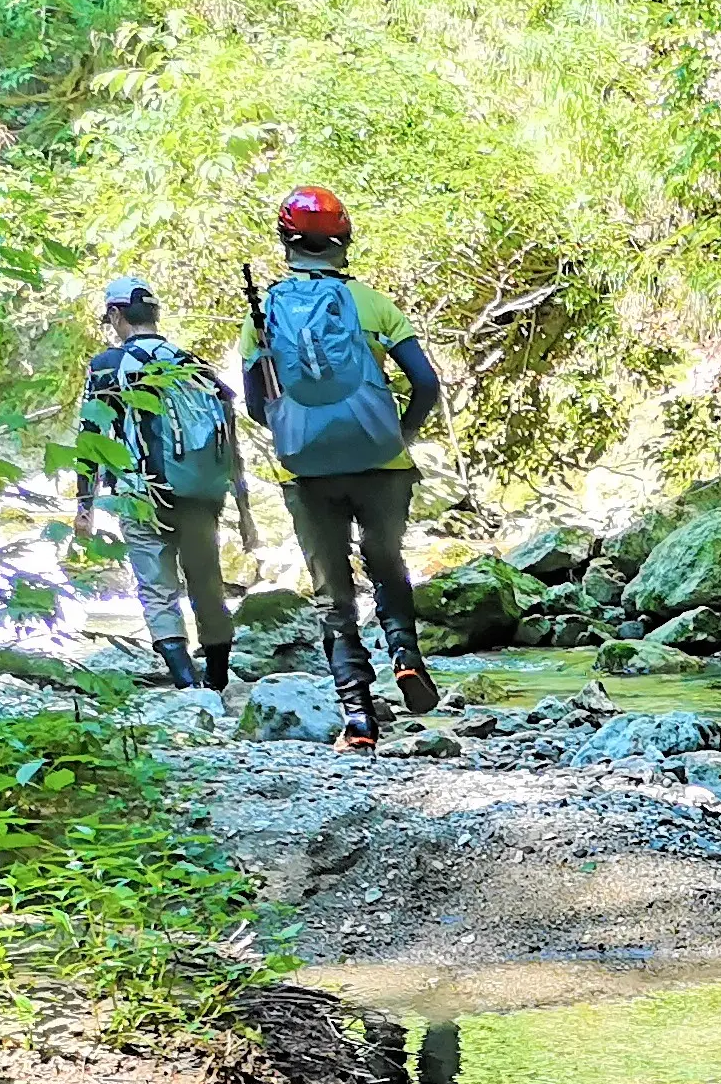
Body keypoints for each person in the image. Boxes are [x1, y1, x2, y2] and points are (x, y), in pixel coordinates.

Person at [240, 183, 446, 749]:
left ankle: (358, 716)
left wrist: (302, 429)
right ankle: (406, 655)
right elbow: (425, 384)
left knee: (332, 590)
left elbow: (258, 405)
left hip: (307, 471)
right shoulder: (372, 303)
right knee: (387, 562)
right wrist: (400, 433)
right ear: (344, 241)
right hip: (383, 462)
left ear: (287, 242)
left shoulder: (263, 315)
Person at [74, 277, 243, 692]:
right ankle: (217, 679)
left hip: (139, 493)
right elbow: (228, 425)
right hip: (200, 492)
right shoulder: (192, 363)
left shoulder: (107, 366)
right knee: (206, 579)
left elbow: (92, 438)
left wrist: (84, 506)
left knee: (156, 586)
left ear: (116, 315)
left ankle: (186, 683)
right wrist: (242, 505)